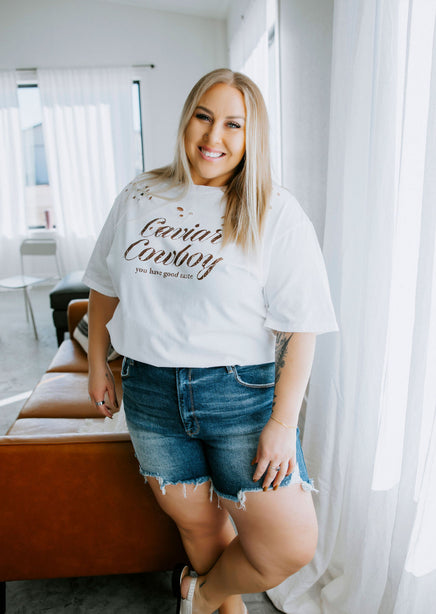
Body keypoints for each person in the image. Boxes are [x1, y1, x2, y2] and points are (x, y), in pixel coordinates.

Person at [84, 68, 338, 614]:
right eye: (203, 116)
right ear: (186, 118)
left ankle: (199, 596)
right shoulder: (139, 195)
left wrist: (282, 424)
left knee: (291, 545)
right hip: (149, 391)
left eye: (233, 124)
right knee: (199, 525)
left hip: (240, 396)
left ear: (252, 135)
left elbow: (303, 325)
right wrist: (97, 364)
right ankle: (224, 608)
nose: (213, 136)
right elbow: (104, 284)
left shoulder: (274, 210)